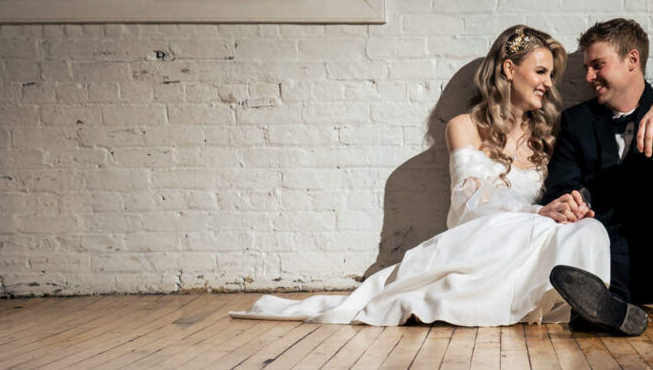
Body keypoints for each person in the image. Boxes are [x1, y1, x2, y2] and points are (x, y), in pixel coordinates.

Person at [232, 25, 609, 327]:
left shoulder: (547, 136)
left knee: (589, 230)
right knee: (545, 228)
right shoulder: (463, 127)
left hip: (526, 240)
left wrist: (568, 208)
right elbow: (467, 206)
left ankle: (590, 310)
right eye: (541, 72)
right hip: (478, 240)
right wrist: (536, 214)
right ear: (510, 70)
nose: (548, 83)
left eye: (551, 75)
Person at [544, 17, 653, 336]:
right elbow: (560, 186)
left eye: (598, 65)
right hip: (604, 257)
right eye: (587, 68)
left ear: (632, 60)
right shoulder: (577, 121)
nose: (589, 76)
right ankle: (609, 307)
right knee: (589, 214)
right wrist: (574, 202)